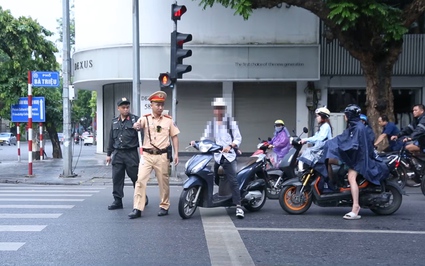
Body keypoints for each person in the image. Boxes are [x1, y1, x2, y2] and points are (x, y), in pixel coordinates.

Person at [315, 104, 389, 220]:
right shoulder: (353, 126)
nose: (345, 117)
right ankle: (333, 185)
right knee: (328, 160)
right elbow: (342, 138)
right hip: (354, 157)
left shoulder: (359, 128)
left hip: (359, 159)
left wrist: (339, 148)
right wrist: (329, 144)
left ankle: (355, 208)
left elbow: (353, 145)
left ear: (350, 115)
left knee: (351, 178)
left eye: (346, 115)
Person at [128, 91, 180, 219]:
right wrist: (136, 126)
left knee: (163, 182)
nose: (160, 107)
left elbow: (174, 137)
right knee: (140, 180)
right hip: (147, 155)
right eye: (157, 105)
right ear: (151, 105)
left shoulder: (168, 120)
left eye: (162, 105)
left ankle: (164, 205)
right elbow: (137, 125)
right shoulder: (145, 118)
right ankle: (137, 208)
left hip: (162, 156)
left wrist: (176, 153)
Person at [190, 97, 244, 218]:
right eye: (216, 108)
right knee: (215, 178)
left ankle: (239, 206)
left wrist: (230, 146)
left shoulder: (230, 123)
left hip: (229, 156)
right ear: (214, 110)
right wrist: (197, 143)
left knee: (233, 181)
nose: (218, 111)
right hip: (218, 156)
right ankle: (224, 194)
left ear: (224, 109)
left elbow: (238, 138)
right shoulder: (212, 124)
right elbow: (205, 137)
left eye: (220, 108)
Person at [106, 97, 140, 210]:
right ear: (118, 108)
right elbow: (111, 138)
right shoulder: (114, 121)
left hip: (131, 154)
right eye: (123, 107)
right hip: (118, 154)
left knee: (136, 178)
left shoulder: (136, 120)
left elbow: (142, 138)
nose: (126, 109)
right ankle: (117, 201)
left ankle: (141, 198)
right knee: (117, 178)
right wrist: (108, 154)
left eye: (127, 107)